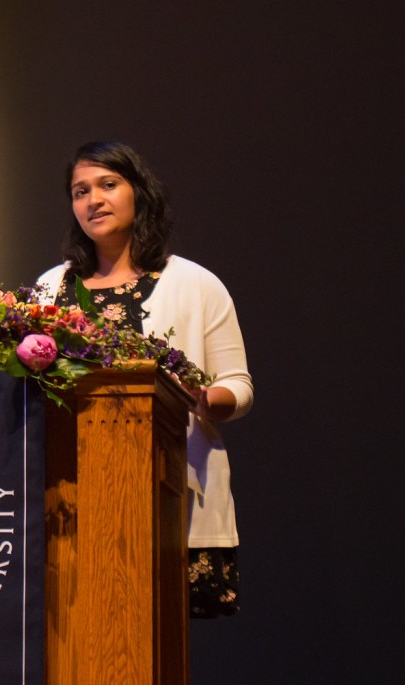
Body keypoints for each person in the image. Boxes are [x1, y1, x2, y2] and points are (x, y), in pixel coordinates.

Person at [35, 141, 254, 618]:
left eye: (108, 185)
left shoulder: (195, 284)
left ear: (139, 192)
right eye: (80, 191)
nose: (93, 200)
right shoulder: (51, 287)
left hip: (166, 486)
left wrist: (202, 399)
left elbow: (239, 386)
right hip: (72, 490)